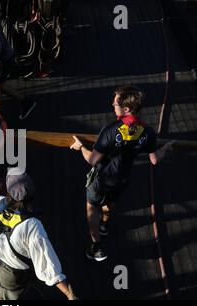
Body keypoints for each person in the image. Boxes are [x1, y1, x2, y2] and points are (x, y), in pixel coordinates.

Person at [69, 85, 174, 261]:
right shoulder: (147, 131)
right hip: (122, 179)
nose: (112, 104)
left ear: (126, 109)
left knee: (91, 207)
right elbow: (154, 159)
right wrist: (166, 148)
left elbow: (93, 160)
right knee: (110, 201)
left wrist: (81, 148)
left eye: (116, 103)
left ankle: (97, 247)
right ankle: (104, 225)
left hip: (102, 178)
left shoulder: (111, 130)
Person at [0, 167, 77, 300]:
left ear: (8, 191)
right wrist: (69, 294)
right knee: (14, 294)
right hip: (13, 274)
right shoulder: (33, 226)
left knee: (0, 288)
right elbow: (49, 268)